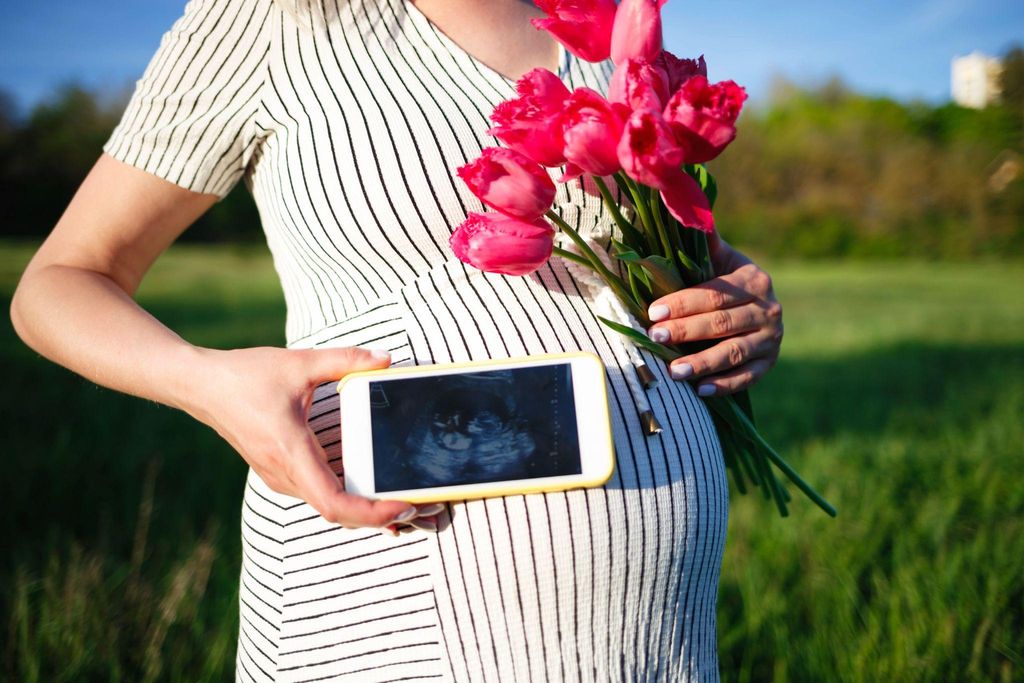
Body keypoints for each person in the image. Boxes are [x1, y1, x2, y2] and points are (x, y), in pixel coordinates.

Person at [9, 0, 783, 680]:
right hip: (399, 596)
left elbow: (655, 257)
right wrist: (206, 381)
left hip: (658, 632)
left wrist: (736, 301)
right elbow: (60, 283)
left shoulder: (603, 26)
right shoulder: (271, 18)